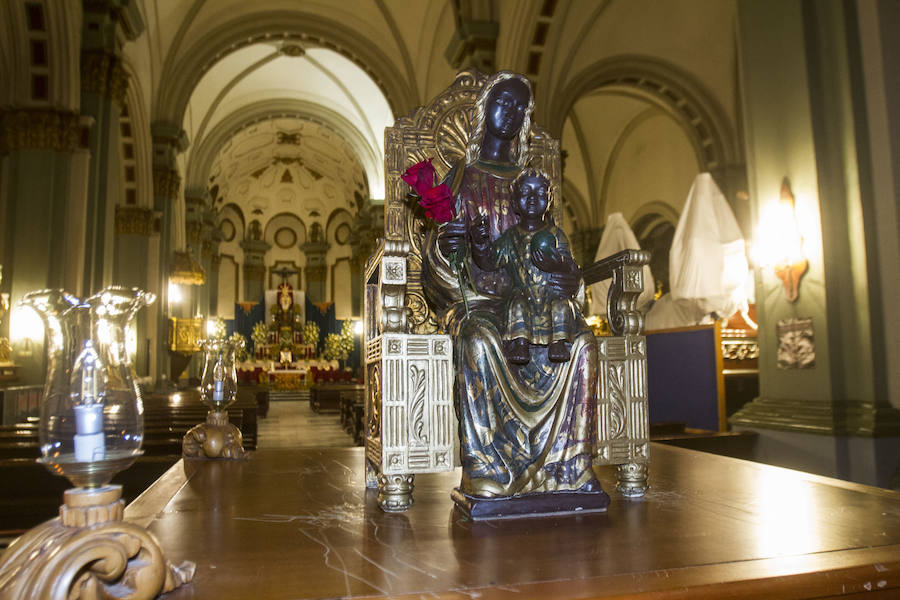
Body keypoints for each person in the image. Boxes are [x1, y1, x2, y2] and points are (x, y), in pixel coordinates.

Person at [422, 72, 606, 503]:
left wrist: (568, 278)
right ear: (486, 107)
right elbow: (437, 263)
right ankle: (487, 465)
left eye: (519, 107)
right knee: (480, 340)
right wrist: (447, 245)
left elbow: (560, 254)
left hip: (538, 300)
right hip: (479, 303)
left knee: (581, 344)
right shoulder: (462, 178)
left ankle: (570, 465)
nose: (510, 112)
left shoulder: (533, 183)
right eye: (503, 102)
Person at [470, 169, 579, 366]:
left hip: (551, 293)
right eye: (526, 192)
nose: (532, 198)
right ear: (514, 203)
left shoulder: (556, 235)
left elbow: (571, 266)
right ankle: (520, 342)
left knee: (561, 306)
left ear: (549, 201)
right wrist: (480, 243)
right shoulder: (510, 237)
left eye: (539, 193)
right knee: (517, 305)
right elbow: (489, 261)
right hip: (523, 293)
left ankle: (559, 341)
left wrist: (558, 264)